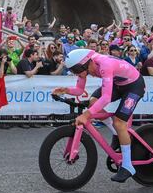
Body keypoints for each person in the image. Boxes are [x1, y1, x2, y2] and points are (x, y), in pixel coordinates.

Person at [53, 49, 145, 183]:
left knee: (119, 123)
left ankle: (127, 166)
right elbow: (79, 90)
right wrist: (65, 90)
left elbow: (106, 98)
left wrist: (86, 115)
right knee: (93, 102)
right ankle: (116, 134)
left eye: (76, 70)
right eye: (73, 71)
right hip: (118, 84)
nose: (76, 74)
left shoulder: (104, 64)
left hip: (134, 86)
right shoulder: (84, 66)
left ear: (84, 64)